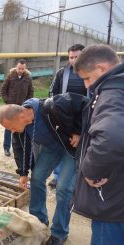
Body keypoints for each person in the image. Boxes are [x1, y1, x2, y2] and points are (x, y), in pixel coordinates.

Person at [0, 92, 88, 245]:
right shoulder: (21, 128)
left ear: (21, 117)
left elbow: (84, 103)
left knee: (63, 188)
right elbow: (20, 148)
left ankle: (59, 233)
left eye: (11, 127)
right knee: (37, 178)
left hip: (70, 149)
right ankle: (38, 222)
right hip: (51, 148)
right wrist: (23, 172)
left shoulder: (53, 105)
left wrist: (79, 132)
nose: (12, 131)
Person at [73, 44, 124, 244]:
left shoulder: (112, 94)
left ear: (101, 69)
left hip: (111, 198)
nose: (86, 85)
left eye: (87, 78)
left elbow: (112, 136)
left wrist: (90, 171)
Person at [48, 43, 87, 188]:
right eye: (71, 57)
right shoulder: (61, 73)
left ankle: (77, 178)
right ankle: (57, 177)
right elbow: (52, 93)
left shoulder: (91, 73)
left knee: (81, 149)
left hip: (84, 117)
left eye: (77, 57)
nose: (74, 60)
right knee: (61, 145)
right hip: (64, 118)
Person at [1, 59, 33, 157]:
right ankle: (6, 148)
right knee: (8, 127)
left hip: (22, 108)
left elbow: (30, 93)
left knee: (21, 127)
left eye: (22, 69)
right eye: (19, 68)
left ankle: (20, 147)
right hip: (11, 107)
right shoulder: (10, 76)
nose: (20, 70)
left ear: (25, 68)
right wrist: (8, 102)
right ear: (16, 66)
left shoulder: (28, 78)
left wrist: (26, 105)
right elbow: (3, 90)